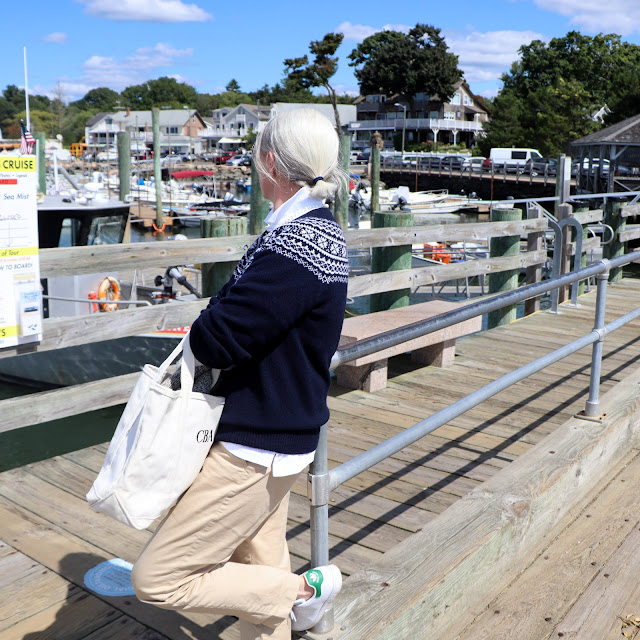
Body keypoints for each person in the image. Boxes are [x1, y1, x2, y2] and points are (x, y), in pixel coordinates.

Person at [131, 107, 349, 639]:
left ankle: (304, 593)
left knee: (159, 579)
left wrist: (208, 316)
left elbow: (217, 336)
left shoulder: (294, 245)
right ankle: (287, 604)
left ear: (269, 161)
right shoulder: (315, 231)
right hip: (281, 433)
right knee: (260, 565)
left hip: (256, 445)